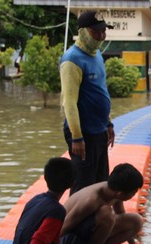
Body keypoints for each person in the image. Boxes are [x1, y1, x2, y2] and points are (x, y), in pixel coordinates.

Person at [12, 157, 104, 244]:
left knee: (71, 238)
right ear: (72, 183)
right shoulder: (56, 211)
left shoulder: (36, 199)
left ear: (45, 177)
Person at [60, 11, 115, 194]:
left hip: (99, 130)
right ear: (83, 31)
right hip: (83, 133)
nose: (101, 36)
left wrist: (108, 122)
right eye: (96, 32)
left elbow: (101, 90)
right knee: (82, 186)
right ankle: (74, 222)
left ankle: (96, 222)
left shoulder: (97, 55)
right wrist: (77, 136)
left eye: (103, 31)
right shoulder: (72, 60)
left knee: (101, 183)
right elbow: (69, 102)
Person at [59, 163, 146, 244]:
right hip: (68, 239)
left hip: (85, 233)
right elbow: (63, 228)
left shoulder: (114, 191)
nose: (133, 195)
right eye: (133, 193)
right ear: (120, 194)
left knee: (136, 222)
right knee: (107, 215)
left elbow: (123, 217)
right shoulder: (91, 200)